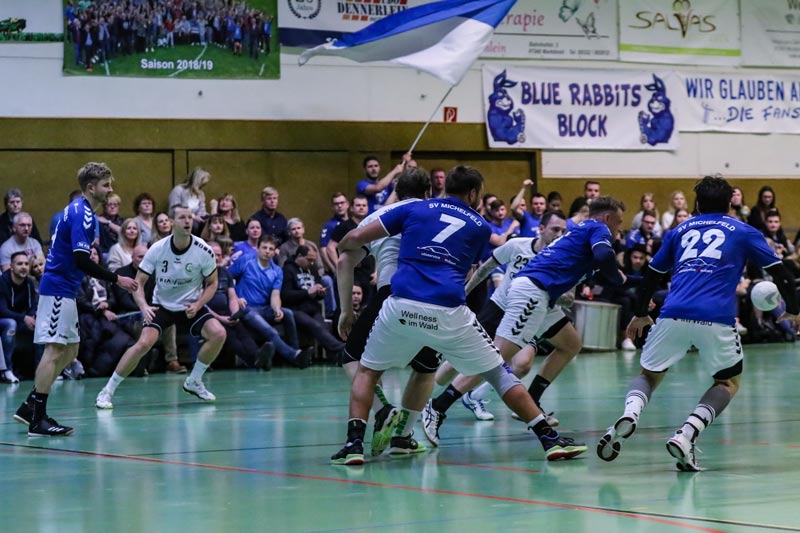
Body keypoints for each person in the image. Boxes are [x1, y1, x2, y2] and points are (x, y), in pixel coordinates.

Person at [331, 165, 586, 466]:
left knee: (366, 372)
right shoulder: (481, 226)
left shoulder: (415, 209)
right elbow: (466, 268)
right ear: (474, 193)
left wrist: (344, 246)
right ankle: (549, 439)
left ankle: (354, 445)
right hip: (448, 310)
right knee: (498, 373)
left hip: (399, 305)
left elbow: (354, 238)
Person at [597, 175, 800, 471]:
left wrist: (641, 312)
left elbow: (652, 275)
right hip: (716, 318)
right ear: (729, 204)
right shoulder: (744, 230)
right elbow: (782, 274)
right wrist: (793, 310)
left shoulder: (679, 230)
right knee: (728, 382)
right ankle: (686, 434)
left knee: (649, 374)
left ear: (697, 204)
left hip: (673, 313)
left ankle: (631, 413)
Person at [423, 196, 626, 448]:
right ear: (607, 218)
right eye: (619, 222)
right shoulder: (598, 229)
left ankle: (533, 401)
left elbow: (595, 267)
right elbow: (605, 256)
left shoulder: (579, 233)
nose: (619, 229)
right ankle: (438, 406)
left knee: (570, 343)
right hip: (532, 292)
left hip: (543, 295)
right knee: (495, 359)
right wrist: (618, 277)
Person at [13, 162, 138, 436]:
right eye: (106, 185)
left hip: (66, 289)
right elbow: (82, 259)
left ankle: (30, 405)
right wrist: (118, 279)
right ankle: (37, 418)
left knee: (71, 350)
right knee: (54, 350)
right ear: (91, 188)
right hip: (58, 288)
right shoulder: (83, 215)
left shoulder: (76, 210)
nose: (111, 189)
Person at [336, 167, 440, 458]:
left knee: (354, 360)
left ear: (397, 191)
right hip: (433, 299)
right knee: (425, 369)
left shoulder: (379, 217)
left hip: (390, 295)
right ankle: (402, 438)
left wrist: (346, 311)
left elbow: (344, 261)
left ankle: (376, 418)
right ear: (428, 192)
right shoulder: (437, 213)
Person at [430, 211, 568, 423]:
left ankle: (475, 396)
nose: (559, 234)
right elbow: (486, 268)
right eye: (555, 229)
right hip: (498, 308)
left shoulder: (560, 260)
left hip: (526, 314)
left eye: (563, 231)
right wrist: (464, 293)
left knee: (522, 364)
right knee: (456, 364)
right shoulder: (517, 246)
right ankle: (425, 401)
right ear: (541, 229)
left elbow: (565, 296)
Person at [94, 206, 225, 409]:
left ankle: (194, 381)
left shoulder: (203, 250)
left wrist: (199, 304)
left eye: (190, 217)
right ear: (172, 222)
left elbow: (212, 283)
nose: (187, 221)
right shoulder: (157, 248)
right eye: (182, 217)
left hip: (190, 305)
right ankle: (107, 391)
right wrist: (143, 306)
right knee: (143, 343)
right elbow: (138, 283)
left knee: (218, 334)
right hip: (161, 306)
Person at [228, 235, 314, 369]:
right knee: (270, 331)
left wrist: (277, 309)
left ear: (274, 252)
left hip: (264, 308)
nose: (267, 251)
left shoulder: (277, 271)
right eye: (264, 248)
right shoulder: (246, 260)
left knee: (287, 314)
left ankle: (296, 350)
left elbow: (275, 294)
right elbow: (227, 278)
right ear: (258, 249)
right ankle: (295, 356)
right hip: (246, 308)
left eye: (271, 249)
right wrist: (235, 297)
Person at [0, 252, 38, 383]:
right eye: (19, 264)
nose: (24, 267)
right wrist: (24, 318)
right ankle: (7, 370)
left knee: (41, 326)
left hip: (20, 319)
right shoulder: (2, 282)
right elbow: (2, 310)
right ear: (11, 266)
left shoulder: (29, 283)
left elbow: (32, 306)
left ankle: (41, 370)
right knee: (11, 324)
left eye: (26, 264)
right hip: (4, 320)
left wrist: (33, 318)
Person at [319, 192, 349, 275]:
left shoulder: (354, 223)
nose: (339, 206)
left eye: (342, 203)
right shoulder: (329, 225)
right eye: (336, 204)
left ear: (347, 204)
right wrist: (334, 268)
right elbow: (323, 249)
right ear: (332, 207)